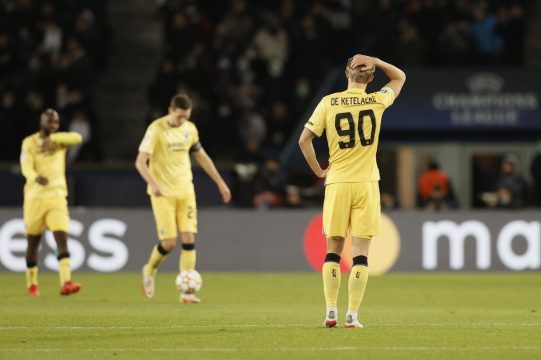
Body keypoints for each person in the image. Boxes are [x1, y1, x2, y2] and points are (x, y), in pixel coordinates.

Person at [298, 54, 405, 328]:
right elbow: (400, 77)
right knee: (360, 255)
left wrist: (319, 171)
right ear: (370, 79)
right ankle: (352, 315)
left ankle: (330, 312)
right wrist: (377, 61)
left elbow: (304, 140)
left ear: (346, 73)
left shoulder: (329, 102)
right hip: (366, 184)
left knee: (333, 252)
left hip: (337, 183)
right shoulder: (376, 100)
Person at [136, 94, 231, 303]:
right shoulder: (156, 129)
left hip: (185, 191)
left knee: (189, 239)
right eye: (179, 116)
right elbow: (140, 162)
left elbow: (202, 157)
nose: (182, 121)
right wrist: (153, 183)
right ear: (171, 110)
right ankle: (149, 269)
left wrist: (220, 182)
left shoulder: (190, 129)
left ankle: (187, 292)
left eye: (186, 117)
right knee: (169, 243)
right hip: (162, 193)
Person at [20, 108, 83, 297]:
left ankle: (66, 282)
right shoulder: (29, 142)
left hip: (57, 197)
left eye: (55, 122)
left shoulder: (60, 140)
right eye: (50, 122)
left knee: (61, 238)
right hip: (35, 198)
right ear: (42, 122)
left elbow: (78, 138)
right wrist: (35, 177)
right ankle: (32, 284)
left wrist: (54, 139)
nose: (53, 125)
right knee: (33, 243)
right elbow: (25, 166)